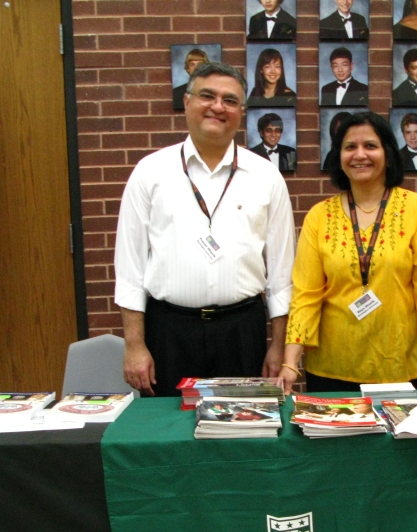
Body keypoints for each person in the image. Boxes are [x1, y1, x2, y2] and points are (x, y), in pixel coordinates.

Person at [115, 61, 296, 397]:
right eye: (207, 96)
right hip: (169, 331)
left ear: (242, 111)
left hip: (242, 332)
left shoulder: (266, 176)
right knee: (169, 437)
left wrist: (278, 346)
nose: (217, 106)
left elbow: (282, 275)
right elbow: (130, 270)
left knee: (243, 434)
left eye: (230, 100)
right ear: (187, 102)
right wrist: (134, 345)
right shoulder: (150, 172)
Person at [276, 111, 417, 395]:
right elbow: (306, 294)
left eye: (370, 146)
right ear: (338, 157)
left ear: (388, 154)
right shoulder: (319, 216)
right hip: (331, 368)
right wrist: (290, 363)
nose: (360, 155)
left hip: (401, 365)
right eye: (349, 147)